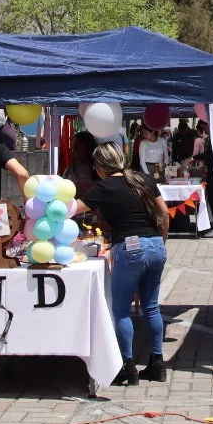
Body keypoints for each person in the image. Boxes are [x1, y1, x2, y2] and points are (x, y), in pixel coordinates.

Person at [73, 142, 172, 386]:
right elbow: (165, 213)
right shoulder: (143, 180)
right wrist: (161, 241)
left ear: (98, 167)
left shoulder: (104, 187)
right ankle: (157, 363)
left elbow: (72, 209)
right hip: (156, 245)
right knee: (151, 307)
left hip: (130, 248)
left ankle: (127, 367)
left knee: (121, 310)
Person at [67, 130, 101, 203]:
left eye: (77, 147)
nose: (74, 150)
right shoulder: (71, 167)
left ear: (88, 146)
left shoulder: (100, 168)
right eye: (73, 147)